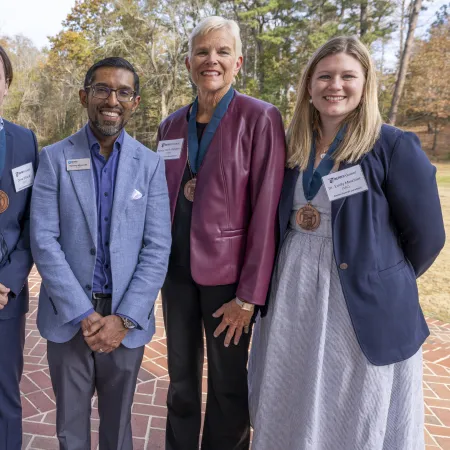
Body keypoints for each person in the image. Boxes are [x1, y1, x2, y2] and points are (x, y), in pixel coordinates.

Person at [248, 36, 445, 450]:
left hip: (356, 297)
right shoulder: (293, 144)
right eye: (324, 76)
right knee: (293, 388)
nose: (334, 85)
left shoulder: (392, 145)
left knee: (352, 402)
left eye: (347, 76)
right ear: (309, 85)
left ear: (365, 82)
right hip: (293, 290)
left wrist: (378, 276)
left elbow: (427, 236)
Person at [157, 16, 285, 450]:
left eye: (222, 51)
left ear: (238, 62)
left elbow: (267, 211)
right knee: (181, 380)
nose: (211, 59)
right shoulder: (170, 126)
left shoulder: (261, 118)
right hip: (176, 276)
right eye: (202, 52)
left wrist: (249, 295)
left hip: (229, 283)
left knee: (229, 385)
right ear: (188, 61)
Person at [30, 57, 171, 450]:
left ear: (135, 102)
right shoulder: (54, 159)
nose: (113, 99)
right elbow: (44, 239)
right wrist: (83, 313)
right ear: (84, 96)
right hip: (68, 318)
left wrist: (124, 318)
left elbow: (157, 246)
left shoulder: (150, 164)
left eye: (123, 92)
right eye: (102, 89)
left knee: (118, 429)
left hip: (126, 319)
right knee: (70, 430)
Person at [0, 45, 39, 450]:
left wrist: (9, 281)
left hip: (4, 297)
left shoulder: (25, 141)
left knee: (6, 398)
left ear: (7, 85)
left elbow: (32, 222)